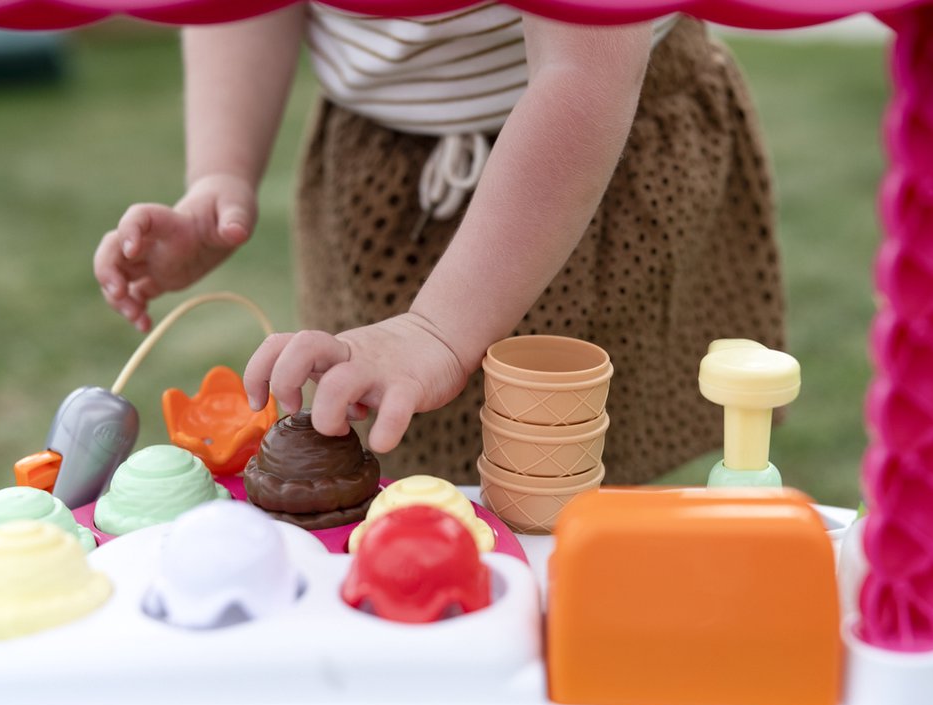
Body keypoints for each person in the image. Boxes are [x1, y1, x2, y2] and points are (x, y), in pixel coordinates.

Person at [93, 5, 784, 485]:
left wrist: (436, 328)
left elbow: (585, 74)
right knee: (401, 445)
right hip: (384, 166)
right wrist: (220, 173)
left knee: (566, 463)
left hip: (584, 160)